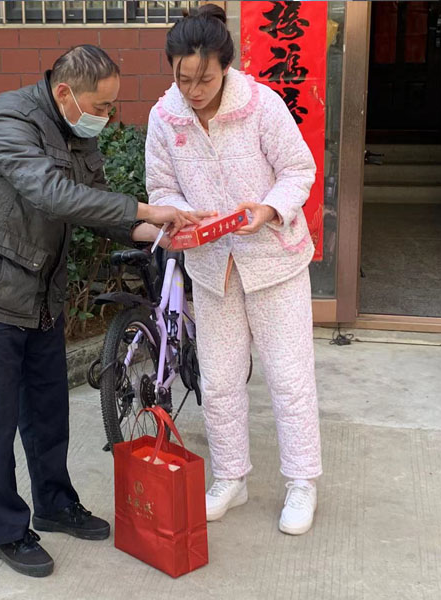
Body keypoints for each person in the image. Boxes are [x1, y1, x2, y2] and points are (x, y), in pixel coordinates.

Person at [0, 45, 201, 578]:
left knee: (48, 410)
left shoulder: (77, 129)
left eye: (111, 106)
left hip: (40, 289)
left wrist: (156, 231)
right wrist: (146, 207)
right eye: (101, 106)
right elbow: (51, 192)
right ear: (65, 93)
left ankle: (55, 504)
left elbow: (96, 201)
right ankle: (7, 530)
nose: (106, 116)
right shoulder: (10, 118)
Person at [145, 5, 323, 535]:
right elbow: (161, 187)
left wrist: (267, 210)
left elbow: (299, 170)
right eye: (183, 79)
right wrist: (182, 213)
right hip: (211, 266)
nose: (193, 90)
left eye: (204, 79)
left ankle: (301, 482)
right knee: (219, 379)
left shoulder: (261, 105)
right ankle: (230, 477)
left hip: (274, 262)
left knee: (289, 378)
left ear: (226, 66)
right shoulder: (164, 116)